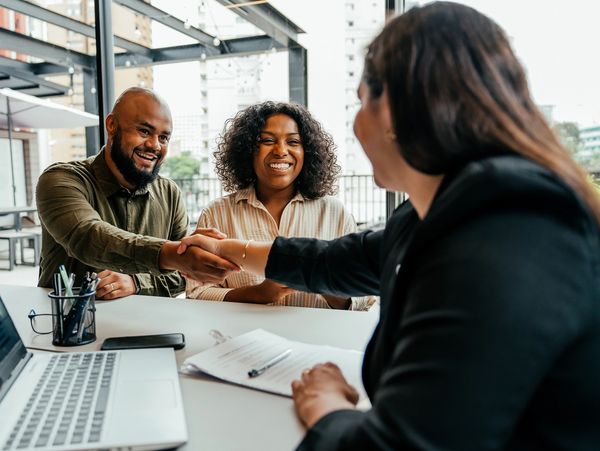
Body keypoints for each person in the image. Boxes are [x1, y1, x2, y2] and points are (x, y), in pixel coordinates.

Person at [177, 2, 600, 449]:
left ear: (400, 110)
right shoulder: (440, 210)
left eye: (361, 100)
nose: (357, 125)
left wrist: (325, 406)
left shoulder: (505, 236)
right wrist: (229, 251)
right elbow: (339, 259)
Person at [36, 87, 237, 300]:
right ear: (112, 125)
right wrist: (173, 255)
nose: (154, 145)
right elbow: (89, 237)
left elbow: (185, 276)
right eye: (144, 131)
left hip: (149, 327)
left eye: (164, 137)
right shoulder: (61, 179)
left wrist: (137, 282)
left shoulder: (169, 193)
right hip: (72, 325)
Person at [186, 101, 374, 310]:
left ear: (307, 152)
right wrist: (256, 294)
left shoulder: (334, 213)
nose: (280, 150)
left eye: (293, 142)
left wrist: (320, 276)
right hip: (239, 338)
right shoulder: (217, 213)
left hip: (317, 339)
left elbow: (363, 299)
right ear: (248, 149)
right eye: (267, 140)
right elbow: (197, 293)